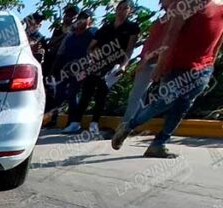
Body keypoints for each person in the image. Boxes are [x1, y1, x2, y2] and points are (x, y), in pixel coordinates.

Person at [113, 0, 223, 158]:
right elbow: (170, 36)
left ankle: (159, 144)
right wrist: (160, 65)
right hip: (177, 67)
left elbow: (219, 38)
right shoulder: (188, 4)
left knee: (181, 108)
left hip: (203, 69)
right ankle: (129, 126)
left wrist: (211, 63)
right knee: (164, 102)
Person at [66, 0, 140, 134]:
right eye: (120, 8)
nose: (121, 10)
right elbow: (90, 47)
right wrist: (92, 58)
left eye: (125, 8)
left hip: (113, 64)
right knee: (86, 93)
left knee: (102, 94)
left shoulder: (132, 27)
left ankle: (94, 123)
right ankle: (75, 123)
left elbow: (129, 49)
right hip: (96, 63)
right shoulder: (106, 27)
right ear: (116, 9)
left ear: (130, 11)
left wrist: (123, 65)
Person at [122, 0, 172, 124]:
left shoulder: (175, 19)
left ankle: (128, 124)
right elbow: (152, 41)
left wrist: (147, 59)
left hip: (158, 60)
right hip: (149, 60)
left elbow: (165, 42)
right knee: (138, 95)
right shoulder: (162, 19)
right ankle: (130, 124)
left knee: (141, 96)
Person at [48, 11, 97, 129]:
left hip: (82, 69)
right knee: (59, 93)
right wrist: (55, 69)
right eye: (80, 18)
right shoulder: (71, 37)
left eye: (86, 18)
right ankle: (53, 120)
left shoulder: (92, 35)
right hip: (65, 69)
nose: (82, 21)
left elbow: (94, 52)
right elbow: (61, 52)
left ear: (90, 21)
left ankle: (73, 122)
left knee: (72, 94)